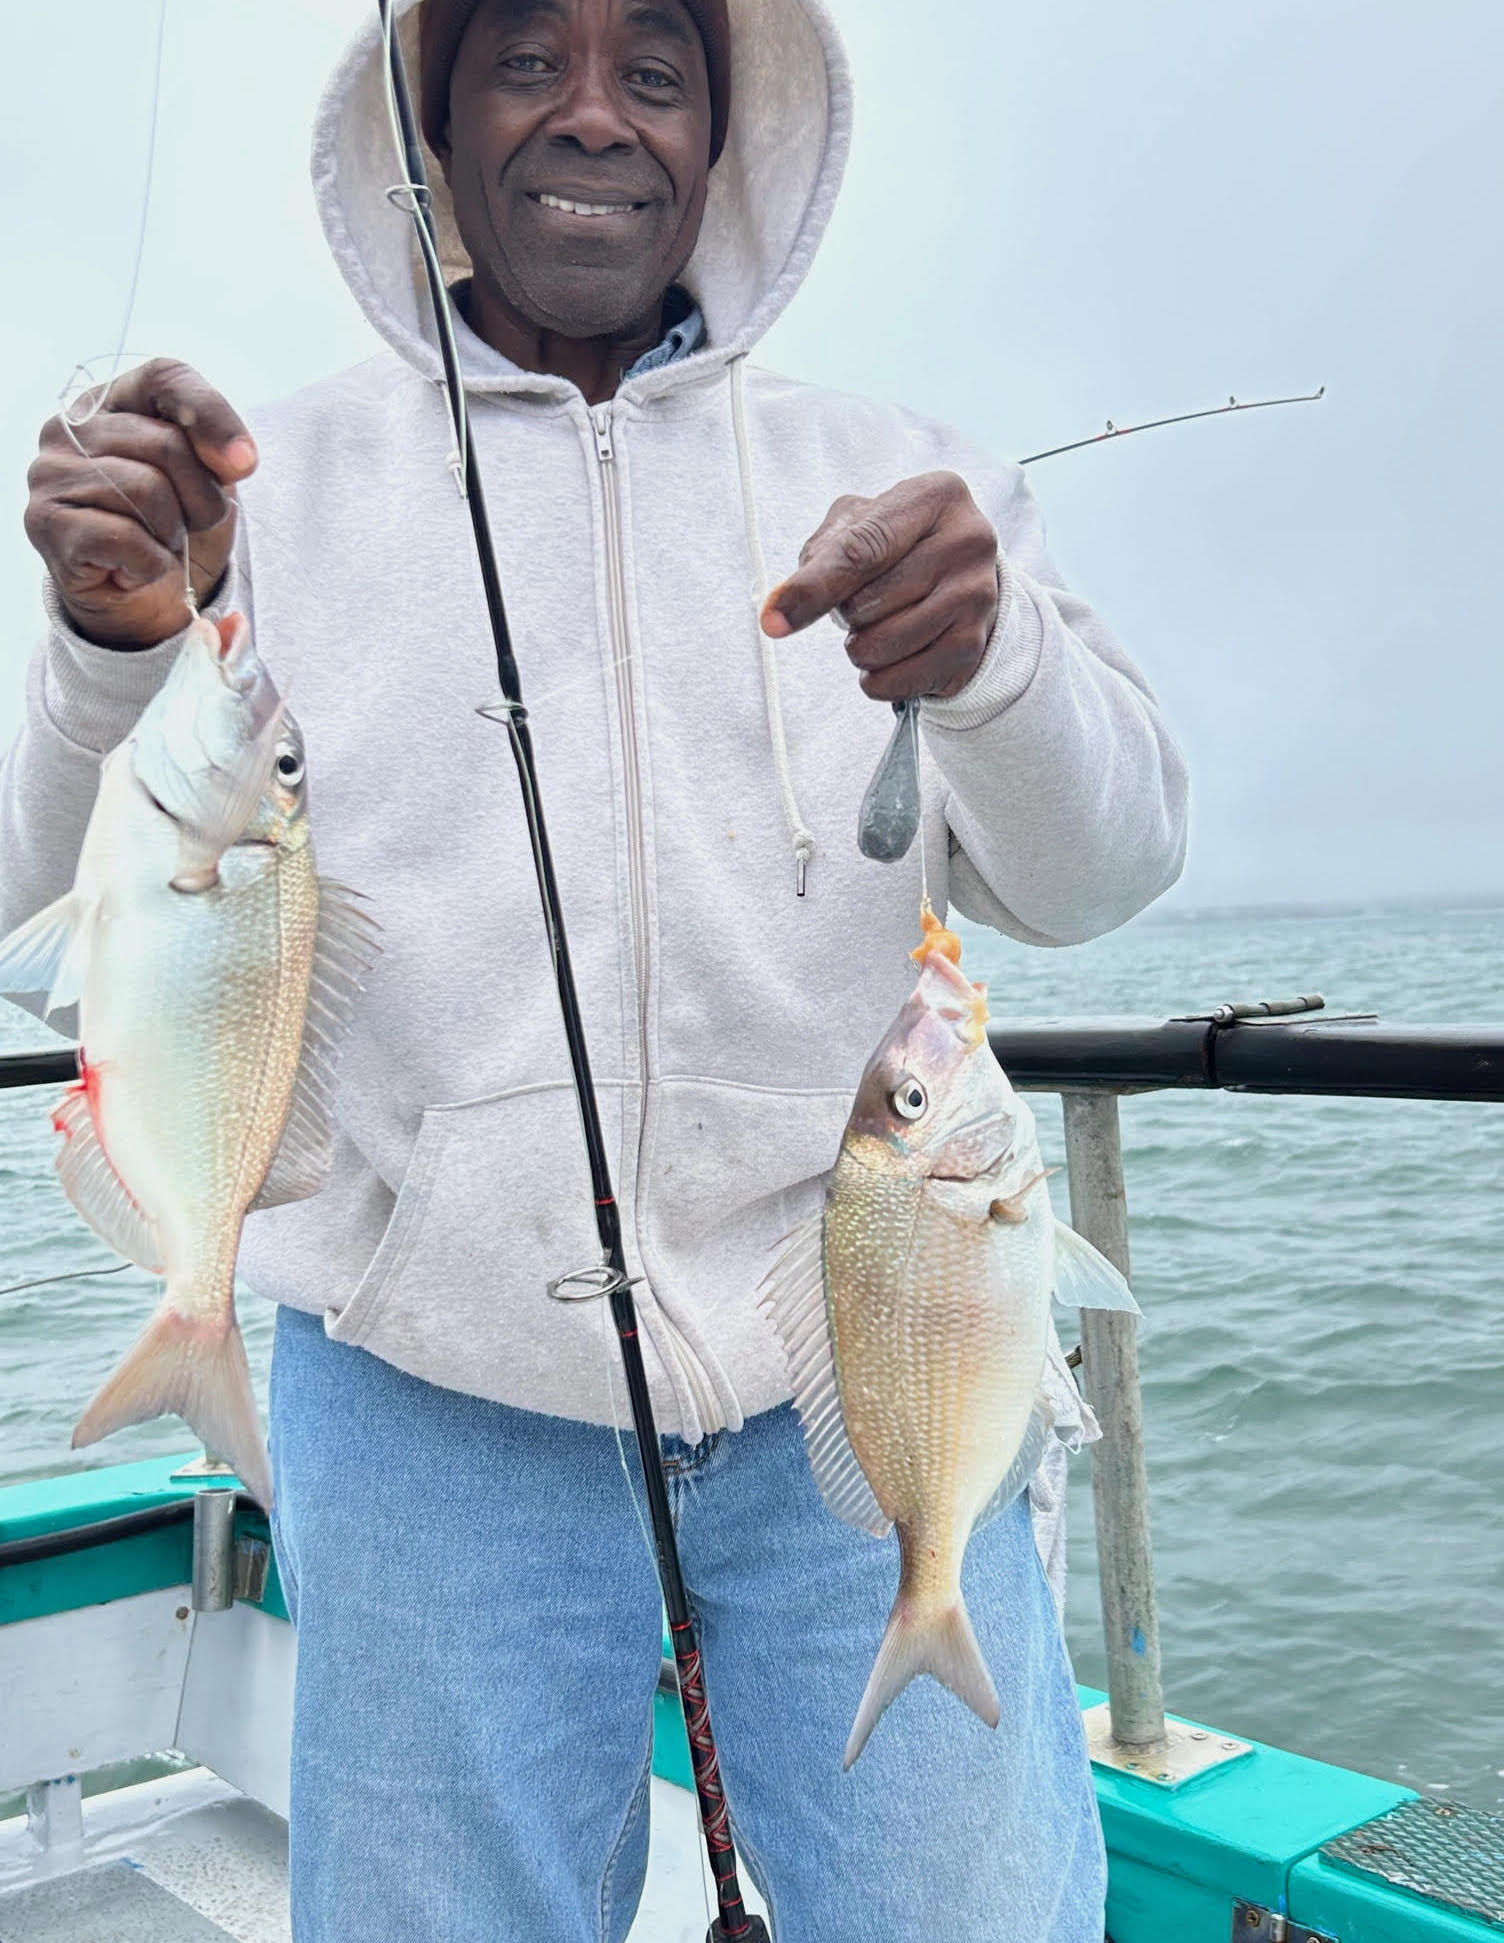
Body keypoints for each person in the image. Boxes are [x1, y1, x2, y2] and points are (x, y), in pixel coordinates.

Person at [2, 0, 1188, 1935]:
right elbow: (29, 898)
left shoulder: (898, 477)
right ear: (428, 121)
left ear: (730, 137)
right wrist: (98, 646)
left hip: (860, 1363)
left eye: (656, 69)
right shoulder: (259, 487)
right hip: (426, 1393)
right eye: (523, 57)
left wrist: (996, 669)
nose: (592, 115)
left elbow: (1110, 866)